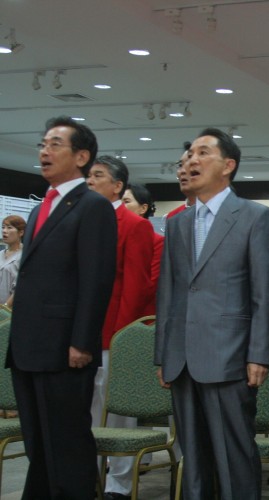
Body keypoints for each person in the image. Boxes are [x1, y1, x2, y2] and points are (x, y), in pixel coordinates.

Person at [155, 128, 269, 499]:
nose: (191, 161)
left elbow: (265, 293)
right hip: (181, 358)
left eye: (203, 153)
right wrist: (163, 353)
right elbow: (168, 292)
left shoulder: (255, 216)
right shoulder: (178, 222)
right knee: (193, 457)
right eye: (189, 154)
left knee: (233, 456)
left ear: (228, 166)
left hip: (230, 355)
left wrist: (259, 354)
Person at [8, 116, 117, 498]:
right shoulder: (41, 208)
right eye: (43, 144)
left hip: (64, 347)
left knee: (67, 442)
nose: (44, 151)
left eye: (55, 144)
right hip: (28, 346)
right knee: (38, 441)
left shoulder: (93, 206)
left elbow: (96, 279)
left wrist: (82, 342)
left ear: (82, 156)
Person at [86, 156, 155, 500]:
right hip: (81, 332)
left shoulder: (133, 225)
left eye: (97, 176)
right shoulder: (83, 218)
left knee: (116, 409)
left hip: (112, 331)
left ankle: (119, 482)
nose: (89, 181)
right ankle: (90, 475)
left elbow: (134, 286)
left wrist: (121, 338)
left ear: (117, 186)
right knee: (86, 408)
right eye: (88, 175)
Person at [122, 182, 163, 315]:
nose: (121, 206)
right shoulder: (114, 237)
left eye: (126, 201)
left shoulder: (157, 241)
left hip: (140, 314)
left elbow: (149, 285)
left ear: (143, 208)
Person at [166, 142, 197, 219]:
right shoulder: (173, 217)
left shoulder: (223, 211)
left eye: (191, 165)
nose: (182, 171)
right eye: (180, 165)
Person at [0, 215, 25, 305]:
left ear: (21, 232)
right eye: (3, 227)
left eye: (9, 228)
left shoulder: (24, 256)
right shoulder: (1, 253)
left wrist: (5, 307)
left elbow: (22, 286)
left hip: (10, 309)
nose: (4, 231)